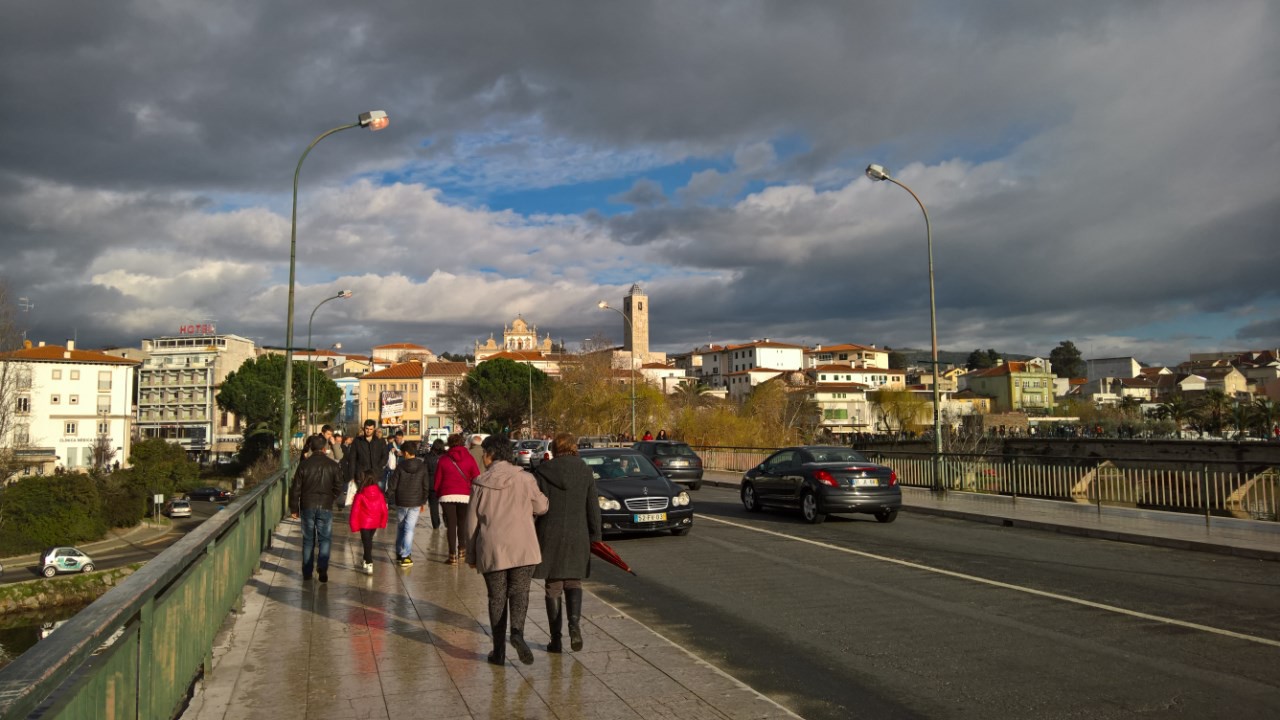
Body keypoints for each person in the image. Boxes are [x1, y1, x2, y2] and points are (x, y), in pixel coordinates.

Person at [467, 436, 549, 665]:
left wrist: (471, 556)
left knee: (497, 597)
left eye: (484, 453)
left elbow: (471, 524)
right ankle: (517, 633)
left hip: (492, 548)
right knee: (520, 591)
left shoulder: (479, 483)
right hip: (523, 546)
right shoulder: (525, 478)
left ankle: (498, 652)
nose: (482, 457)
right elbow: (541, 507)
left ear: (491, 455)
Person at [533, 433, 602, 653]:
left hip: (549, 533)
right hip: (578, 533)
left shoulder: (543, 471)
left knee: (553, 586)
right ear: (574, 447)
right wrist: (596, 537)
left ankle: (556, 639)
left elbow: (537, 505)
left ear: (554, 448)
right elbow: (593, 507)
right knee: (574, 581)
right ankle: (574, 626)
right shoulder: (585, 471)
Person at [289, 434, 346, 582]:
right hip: (325, 505)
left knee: (308, 540)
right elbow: (339, 485)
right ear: (324, 448)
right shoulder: (333, 465)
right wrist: (331, 497)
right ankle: (322, 567)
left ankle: (307, 571)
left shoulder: (304, 465)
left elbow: (296, 488)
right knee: (325, 539)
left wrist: (294, 508)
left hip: (307, 505)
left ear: (312, 448)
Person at [435, 432, 481, 564]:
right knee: (462, 523)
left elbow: (438, 480)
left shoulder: (443, 459)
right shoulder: (469, 458)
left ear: (449, 444)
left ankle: (452, 556)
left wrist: (438, 494)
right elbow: (476, 475)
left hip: (447, 495)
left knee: (451, 525)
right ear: (462, 443)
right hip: (464, 495)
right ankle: (462, 549)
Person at [385, 440, 430, 566]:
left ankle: (399, 552)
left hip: (401, 501)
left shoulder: (400, 467)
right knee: (409, 528)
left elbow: (393, 485)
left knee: (401, 527)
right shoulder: (422, 467)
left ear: (405, 453)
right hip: (415, 502)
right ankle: (406, 556)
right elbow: (426, 486)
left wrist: (386, 496)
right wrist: (423, 500)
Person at [348, 469, 387, 574]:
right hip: (374, 522)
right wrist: (383, 522)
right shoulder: (379, 494)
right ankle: (366, 559)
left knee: (366, 542)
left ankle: (369, 562)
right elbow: (384, 509)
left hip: (364, 522)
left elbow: (355, 511)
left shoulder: (360, 494)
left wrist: (353, 525)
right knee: (368, 541)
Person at [348, 419, 388, 491]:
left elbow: (385, 456)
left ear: (374, 429)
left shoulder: (380, 441)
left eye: (371, 429)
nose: (368, 431)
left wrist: (378, 466)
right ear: (364, 428)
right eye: (367, 428)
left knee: (376, 498)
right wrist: (351, 476)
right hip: (361, 475)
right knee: (362, 497)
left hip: (376, 474)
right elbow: (352, 459)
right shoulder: (357, 441)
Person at [424, 439, 445, 529]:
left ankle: (435, 524)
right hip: (443, 484)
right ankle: (447, 522)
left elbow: (424, 470)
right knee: (445, 505)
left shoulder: (428, 456)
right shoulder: (445, 456)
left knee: (433, 506)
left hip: (431, 483)